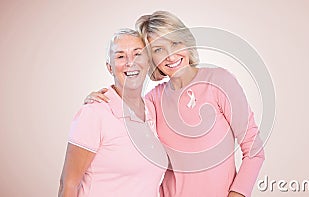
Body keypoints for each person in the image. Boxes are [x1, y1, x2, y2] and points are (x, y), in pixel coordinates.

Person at [85, 11, 264, 197]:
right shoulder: (152, 99)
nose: (170, 56)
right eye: (158, 49)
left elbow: (254, 150)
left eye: (175, 43)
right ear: (150, 59)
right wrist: (99, 100)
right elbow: (121, 124)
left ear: (186, 42)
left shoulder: (219, 82)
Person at [59, 28, 167, 197]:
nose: (130, 62)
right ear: (110, 67)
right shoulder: (94, 113)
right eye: (120, 56)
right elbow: (68, 185)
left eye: (137, 54)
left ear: (148, 62)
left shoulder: (151, 109)